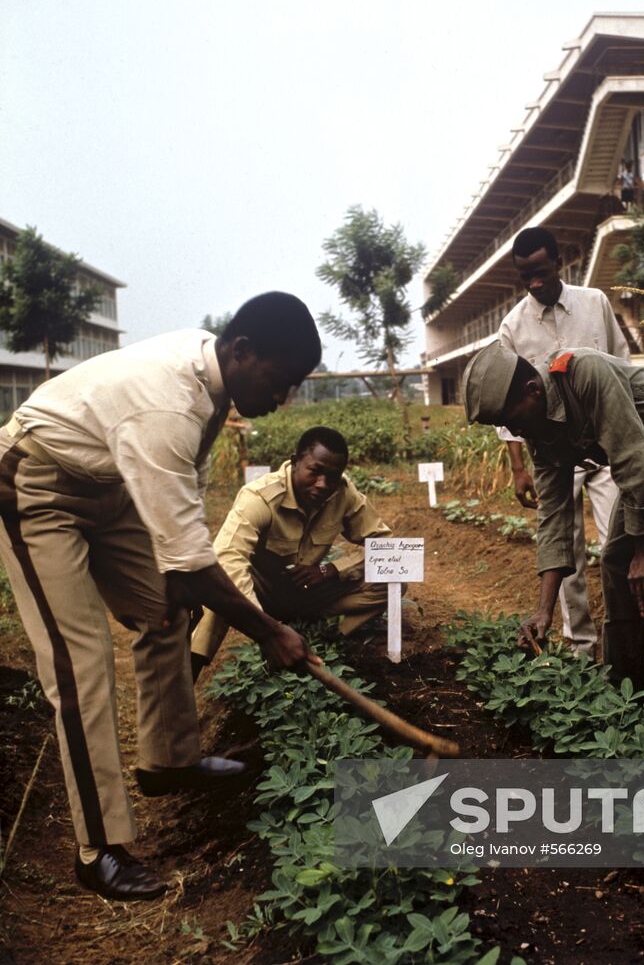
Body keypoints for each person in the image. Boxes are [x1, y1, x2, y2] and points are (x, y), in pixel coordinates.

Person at [0, 292, 322, 901]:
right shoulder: (167, 404)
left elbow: (184, 519)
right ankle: (99, 851)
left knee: (166, 609)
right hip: (35, 482)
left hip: (108, 483)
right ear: (243, 350)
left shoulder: (209, 376)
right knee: (81, 662)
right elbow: (197, 561)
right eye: (280, 383)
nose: (281, 401)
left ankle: (169, 761)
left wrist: (176, 577)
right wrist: (270, 631)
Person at [462, 341, 644, 731]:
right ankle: (626, 697)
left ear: (532, 390)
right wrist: (544, 610)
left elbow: (631, 456)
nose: (516, 431)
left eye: (512, 419)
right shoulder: (538, 429)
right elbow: (553, 516)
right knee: (615, 562)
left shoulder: (583, 373)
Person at [498, 226, 629, 655]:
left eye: (540, 272)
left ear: (559, 261)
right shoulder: (512, 327)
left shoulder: (595, 304)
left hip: (608, 449)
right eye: (525, 277)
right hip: (555, 456)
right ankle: (581, 649)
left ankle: (623, 642)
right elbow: (507, 407)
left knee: (617, 545)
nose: (535, 283)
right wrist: (519, 468)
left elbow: (622, 367)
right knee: (565, 554)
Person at [190, 426, 393, 675]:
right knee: (221, 586)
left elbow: (386, 546)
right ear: (295, 462)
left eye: (332, 476)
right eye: (315, 472)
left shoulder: (342, 492)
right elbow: (227, 558)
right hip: (263, 596)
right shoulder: (260, 497)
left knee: (392, 578)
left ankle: (321, 638)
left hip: (308, 592)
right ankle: (191, 667)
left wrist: (331, 570)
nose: (323, 484)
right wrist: (266, 630)